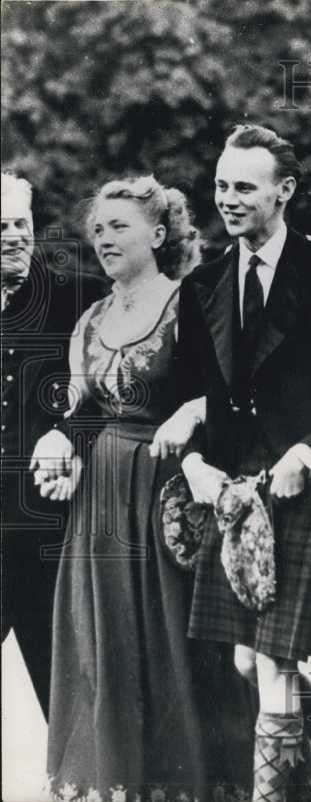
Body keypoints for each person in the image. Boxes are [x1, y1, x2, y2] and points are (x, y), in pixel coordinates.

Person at [176, 124, 311, 802]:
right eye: (221, 186)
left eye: (244, 186)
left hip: (304, 497)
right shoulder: (204, 281)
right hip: (236, 503)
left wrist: (308, 454)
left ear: (284, 190)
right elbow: (195, 399)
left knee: (269, 662)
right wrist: (196, 464)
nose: (228, 199)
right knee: (247, 659)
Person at [40, 175, 254, 797]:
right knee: (107, 636)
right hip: (103, 493)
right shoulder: (91, 316)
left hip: (171, 487)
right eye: (98, 229)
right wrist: (59, 438)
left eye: (120, 227)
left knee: (173, 637)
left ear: (159, 234)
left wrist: (192, 415)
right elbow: (80, 406)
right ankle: (118, 782)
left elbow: (233, 397)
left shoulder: (194, 303)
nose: (104, 238)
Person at [1, 171, 105, 720]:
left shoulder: (79, 296)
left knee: (67, 693)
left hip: (49, 528)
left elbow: (121, 391)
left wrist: (68, 433)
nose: (15, 235)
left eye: (22, 223)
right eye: (1, 226)